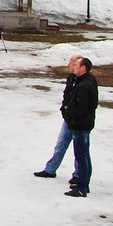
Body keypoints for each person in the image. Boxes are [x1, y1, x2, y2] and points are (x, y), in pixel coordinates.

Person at [34, 55, 81, 183]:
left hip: (79, 121)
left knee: (80, 150)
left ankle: (78, 175)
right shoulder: (71, 78)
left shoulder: (85, 82)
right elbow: (67, 96)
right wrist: (64, 111)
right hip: (68, 118)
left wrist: (74, 116)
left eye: (72, 63)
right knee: (60, 144)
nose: (69, 65)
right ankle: (50, 169)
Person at [63, 57, 98, 198]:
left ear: (83, 68)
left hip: (80, 125)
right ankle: (84, 183)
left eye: (76, 65)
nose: (73, 67)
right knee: (84, 155)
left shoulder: (84, 85)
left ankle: (82, 187)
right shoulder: (88, 80)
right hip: (85, 123)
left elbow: (81, 108)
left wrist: (69, 114)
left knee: (81, 156)